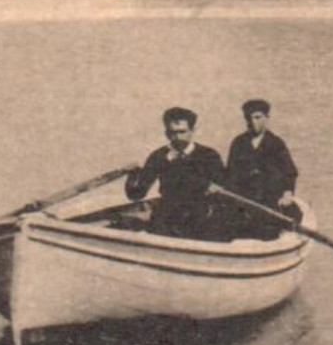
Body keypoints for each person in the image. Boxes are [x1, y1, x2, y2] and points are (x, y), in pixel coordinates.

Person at [124, 106, 225, 239]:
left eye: (182, 132)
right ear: (166, 133)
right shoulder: (158, 156)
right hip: (166, 217)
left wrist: (217, 190)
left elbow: (224, 189)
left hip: (200, 217)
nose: (177, 137)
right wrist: (132, 175)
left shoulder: (209, 155)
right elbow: (136, 194)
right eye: (173, 133)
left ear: (193, 130)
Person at [222, 98, 299, 240]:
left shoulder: (276, 144)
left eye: (257, 117)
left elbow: (290, 173)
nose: (253, 122)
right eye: (248, 118)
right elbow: (231, 173)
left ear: (267, 118)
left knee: (270, 231)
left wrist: (287, 194)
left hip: (270, 201)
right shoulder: (239, 143)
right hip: (245, 200)